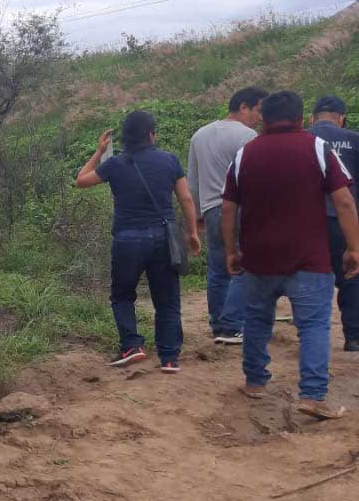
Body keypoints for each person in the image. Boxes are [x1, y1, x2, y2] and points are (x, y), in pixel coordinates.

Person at [222, 90, 359, 420]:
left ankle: (255, 382)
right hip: (308, 259)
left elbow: (228, 208)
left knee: (256, 320)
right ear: (302, 120)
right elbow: (343, 201)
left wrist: (231, 251)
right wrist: (354, 247)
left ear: (264, 120)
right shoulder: (316, 148)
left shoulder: (245, 153)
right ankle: (312, 395)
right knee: (313, 325)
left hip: (258, 259)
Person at [77, 110, 202, 372]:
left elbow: (81, 180)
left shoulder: (115, 164)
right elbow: (186, 198)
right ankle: (169, 358)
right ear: (151, 134)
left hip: (127, 238)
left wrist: (99, 152)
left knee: (122, 295)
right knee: (167, 299)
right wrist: (192, 233)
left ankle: (132, 345)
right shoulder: (168, 160)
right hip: (163, 237)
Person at [188, 87, 267, 345]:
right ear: (244, 107)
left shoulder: (200, 135)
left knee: (218, 269)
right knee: (246, 264)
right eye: (258, 110)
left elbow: (193, 180)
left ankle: (218, 324)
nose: (260, 117)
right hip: (240, 209)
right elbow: (254, 178)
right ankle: (232, 325)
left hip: (211, 209)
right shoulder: (248, 135)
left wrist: (198, 213)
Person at [307, 95, 359, 351]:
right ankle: (353, 337)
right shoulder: (355, 140)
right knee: (352, 274)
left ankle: (312, 338)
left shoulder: (303, 139)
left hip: (309, 222)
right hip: (346, 220)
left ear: (312, 118)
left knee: (312, 276)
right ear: (341, 118)